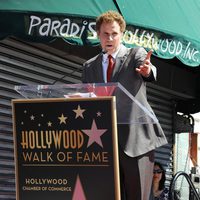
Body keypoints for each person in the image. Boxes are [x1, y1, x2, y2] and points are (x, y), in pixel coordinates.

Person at [82, 10, 168, 200]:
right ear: (98, 35)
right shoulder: (89, 66)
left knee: (137, 196)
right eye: (105, 34)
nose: (110, 38)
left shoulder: (135, 54)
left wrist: (148, 70)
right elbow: (89, 99)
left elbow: (148, 68)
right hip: (104, 141)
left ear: (121, 34)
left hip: (136, 141)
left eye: (114, 33)